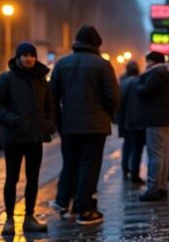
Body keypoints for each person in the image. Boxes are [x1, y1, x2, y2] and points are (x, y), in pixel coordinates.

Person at [49, 25, 118, 225]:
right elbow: (112, 96)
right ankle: (85, 208)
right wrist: (109, 115)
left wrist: (58, 120)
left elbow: (51, 95)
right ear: (97, 43)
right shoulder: (103, 65)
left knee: (70, 162)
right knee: (89, 164)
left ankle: (63, 202)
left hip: (69, 124)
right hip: (95, 125)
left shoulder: (62, 64)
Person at [0, 42, 55, 236]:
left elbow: (50, 104)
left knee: (33, 179)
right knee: (12, 179)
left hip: (35, 138)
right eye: (25, 55)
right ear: (18, 58)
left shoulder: (41, 79)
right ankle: (9, 219)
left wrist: (49, 124)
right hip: (14, 137)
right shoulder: (7, 79)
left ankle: (29, 217)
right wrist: (12, 120)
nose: (29, 59)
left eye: (31, 55)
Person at [136, 51, 169, 202]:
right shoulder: (167, 74)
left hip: (155, 120)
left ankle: (153, 189)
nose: (146, 64)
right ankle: (162, 187)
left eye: (147, 61)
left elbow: (142, 91)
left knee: (155, 155)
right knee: (164, 154)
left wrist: (141, 79)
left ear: (152, 61)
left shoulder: (154, 75)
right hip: (166, 119)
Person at [115, 60, 145, 184]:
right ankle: (134, 174)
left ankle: (125, 167)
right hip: (136, 120)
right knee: (136, 148)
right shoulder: (138, 82)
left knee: (127, 145)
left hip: (125, 120)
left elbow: (119, 104)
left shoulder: (122, 83)